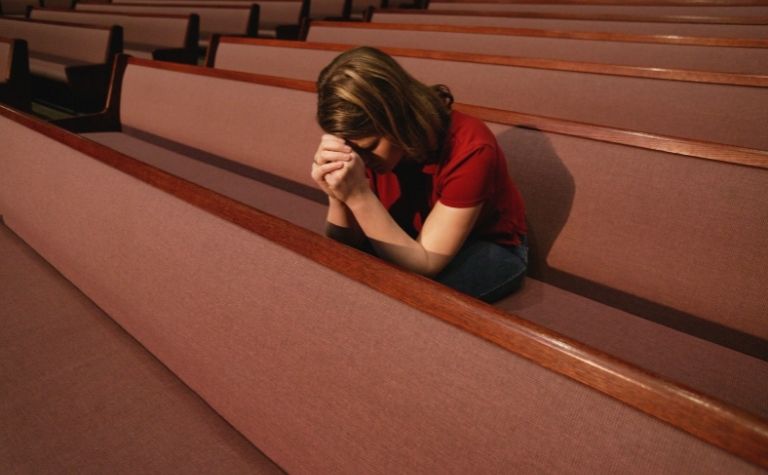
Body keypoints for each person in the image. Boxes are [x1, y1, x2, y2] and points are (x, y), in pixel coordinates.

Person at [311, 46, 528, 303]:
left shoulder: (471, 147)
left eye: (369, 148)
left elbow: (425, 263)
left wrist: (358, 195)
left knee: (398, 302)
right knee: (334, 274)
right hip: (408, 236)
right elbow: (344, 247)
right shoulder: (362, 142)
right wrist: (337, 195)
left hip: (486, 245)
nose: (361, 160)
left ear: (398, 119)